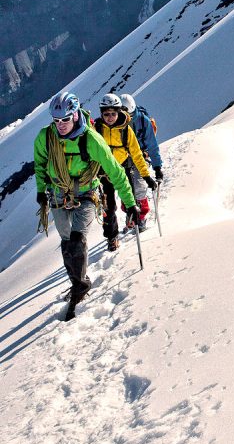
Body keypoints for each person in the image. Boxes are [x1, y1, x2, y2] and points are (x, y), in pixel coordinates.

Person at [34, 91, 140, 319]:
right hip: (58, 194)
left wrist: (130, 203)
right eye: (56, 120)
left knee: (76, 239)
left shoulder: (91, 140)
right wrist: (41, 191)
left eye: (65, 119)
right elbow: (40, 164)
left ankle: (80, 287)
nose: (60, 125)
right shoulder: (46, 137)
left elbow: (115, 171)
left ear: (75, 115)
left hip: (86, 193)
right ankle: (77, 282)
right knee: (66, 243)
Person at [95, 93, 157, 235]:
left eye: (113, 113)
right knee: (109, 206)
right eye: (106, 114)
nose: (110, 117)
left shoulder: (126, 130)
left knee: (131, 197)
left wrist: (146, 176)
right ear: (101, 114)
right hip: (103, 172)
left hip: (123, 169)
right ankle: (112, 236)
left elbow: (137, 154)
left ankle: (137, 220)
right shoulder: (97, 129)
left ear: (119, 112)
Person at [119, 94, 163, 183]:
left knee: (139, 184)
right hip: (123, 157)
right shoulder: (116, 121)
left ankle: (140, 197)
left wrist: (157, 167)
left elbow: (152, 145)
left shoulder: (143, 121)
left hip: (141, 155)